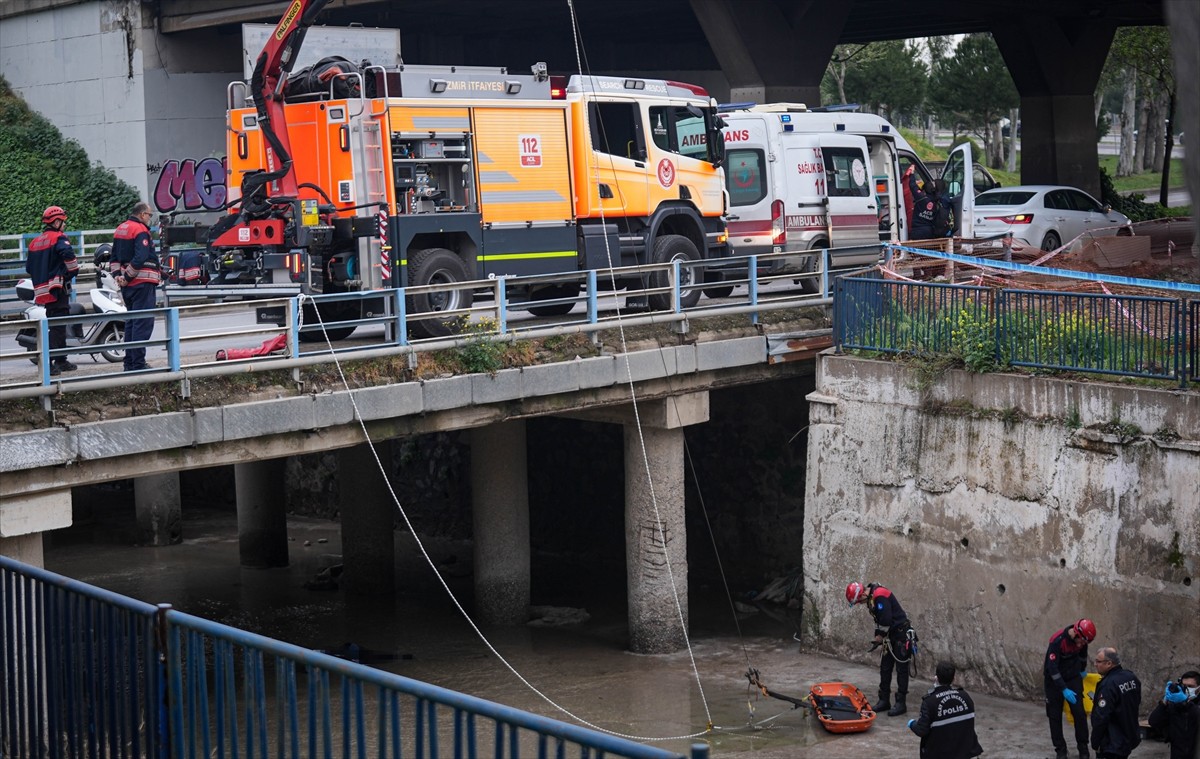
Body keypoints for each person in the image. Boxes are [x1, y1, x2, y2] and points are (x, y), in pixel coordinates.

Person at [847, 580, 917, 716]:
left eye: (859, 601)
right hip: (890, 636)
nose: (860, 604)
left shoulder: (880, 595)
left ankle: (901, 702)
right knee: (885, 668)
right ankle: (884, 700)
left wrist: (879, 636)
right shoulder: (872, 598)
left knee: (902, 670)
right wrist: (878, 635)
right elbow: (879, 620)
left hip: (900, 635)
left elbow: (885, 620)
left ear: (862, 595)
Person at [25, 205, 80, 376]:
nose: (64, 224)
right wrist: (68, 274)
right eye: (63, 221)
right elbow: (71, 261)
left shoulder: (34, 242)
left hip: (42, 291)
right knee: (57, 326)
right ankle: (49, 363)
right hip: (57, 288)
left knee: (57, 323)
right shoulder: (59, 238)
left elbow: (29, 268)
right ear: (56, 222)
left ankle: (61, 360)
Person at [110, 201, 162, 371]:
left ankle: (129, 363)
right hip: (142, 283)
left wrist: (118, 276)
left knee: (131, 323)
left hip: (128, 286)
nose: (149, 218)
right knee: (142, 323)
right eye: (149, 215)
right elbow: (141, 257)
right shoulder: (140, 230)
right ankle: (138, 364)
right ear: (142, 214)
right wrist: (127, 277)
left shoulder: (121, 228)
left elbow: (114, 258)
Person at [1044, 618, 1098, 759]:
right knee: (1054, 716)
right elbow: (1052, 668)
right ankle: (1060, 750)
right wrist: (1063, 689)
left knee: (1079, 713)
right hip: (1054, 680)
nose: (1081, 645)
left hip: (1073, 678)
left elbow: (1082, 656)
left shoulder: (1083, 641)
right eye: (1081, 642)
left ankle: (1083, 748)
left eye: (1085, 643)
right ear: (1075, 633)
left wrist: (1082, 670)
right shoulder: (1057, 641)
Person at [907, 660, 983, 759]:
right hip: (966, 753)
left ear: (936, 678)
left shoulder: (930, 702)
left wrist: (912, 723)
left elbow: (921, 730)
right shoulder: (965, 697)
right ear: (953, 678)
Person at [1090, 647, 1141, 759]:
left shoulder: (1108, 685)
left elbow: (1101, 717)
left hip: (1112, 743)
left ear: (1109, 663)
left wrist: (1095, 741)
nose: (1095, 664)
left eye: (1098, 661)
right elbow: (1136, 702)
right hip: (1128, 737)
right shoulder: (1130, 677)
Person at [1147, 669, 1198, 759]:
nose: (1187, 689)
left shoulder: (1193, 707)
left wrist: (1187, 703)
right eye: (1184, 686)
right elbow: (1154, 722)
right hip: (1178, 753)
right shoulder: (1176, 705)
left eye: (1190, 686)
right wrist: (1164, 703)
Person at [910, 173, 954, 239]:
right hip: (930, 232)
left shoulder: (921, 198)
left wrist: (911, 174)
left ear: (925, 190)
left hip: (916, 232)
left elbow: (913, 186)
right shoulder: (938, 202)